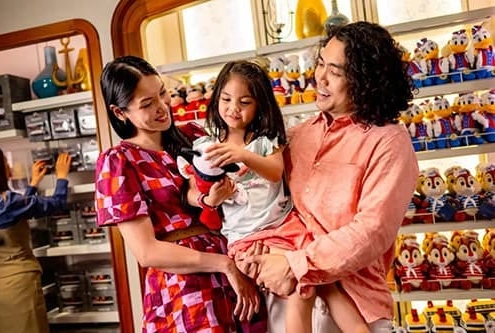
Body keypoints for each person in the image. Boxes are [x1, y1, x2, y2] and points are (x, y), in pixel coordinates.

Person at [240, 21, 420, 332]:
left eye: (335, 72)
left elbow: (372, 230)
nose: (319, 77)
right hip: (284, 297)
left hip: (354, 303)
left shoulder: (389, 142)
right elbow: (263, 201)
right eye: (320, 63)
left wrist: (296, 264)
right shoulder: (296, 136)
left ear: (365, 81)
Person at [94, 55, 265, 333]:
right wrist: (224, 265)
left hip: (238, 265)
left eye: (163, 93)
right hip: (184, 288)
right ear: (120, 112)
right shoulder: (117, 161)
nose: (163, 107)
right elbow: (147, 252)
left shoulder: (193, 135)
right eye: (147, 104)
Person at [196, 60, 369, 333]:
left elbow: (275, 172)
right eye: (226, 99)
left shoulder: (266, 141)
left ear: (259, 105)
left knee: (326, 283)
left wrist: (244, 155)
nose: (233, 109)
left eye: (244, 102)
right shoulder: (208, 146)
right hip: (248, 238)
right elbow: (197, 192)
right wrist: (210, 199)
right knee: (301, 286)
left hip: (285, 228)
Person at [0, 145, 71, 333]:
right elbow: (56, 204)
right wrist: (61, 177)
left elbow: (13, 214)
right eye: (5, 163)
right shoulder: (8, 202)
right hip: (17, 287)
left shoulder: (7, 204)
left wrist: (33, 184)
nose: (9, 167)